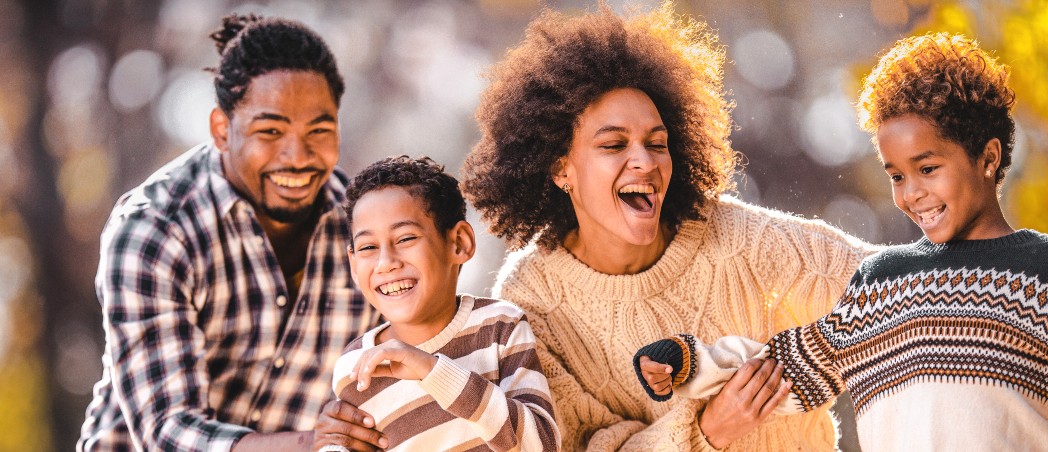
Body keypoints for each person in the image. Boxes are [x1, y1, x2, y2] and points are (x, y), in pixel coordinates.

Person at [461, 3, 878, 451]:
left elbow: (889, 285)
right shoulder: (532, 303)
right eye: (615, 144)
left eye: (657, 143)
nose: (645, 160)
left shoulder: (732, 237)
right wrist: (708, 430)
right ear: (561, 168)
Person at [633, 32, 1048, 450]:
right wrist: (689, 361)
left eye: (927, 169)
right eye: (896, 176)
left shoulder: (1045, 270)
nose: (911, 194)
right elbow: (783, 368)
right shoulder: (881, 284)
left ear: (989, 158)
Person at [77, 14, 385, 452]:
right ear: (222, 130)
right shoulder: (154, 228)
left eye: (319, 130)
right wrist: (310, 443)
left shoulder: (366, 230)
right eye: (270, 131)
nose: (297, 157)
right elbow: (167, 430)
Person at [327, 155, 559, 451]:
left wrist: (432, 371)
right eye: (368, 247)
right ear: (353, 264)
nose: (385, 263)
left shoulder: (500, 327)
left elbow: (542, 444)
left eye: (406, 238)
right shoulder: (355, 365)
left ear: (459, 243)